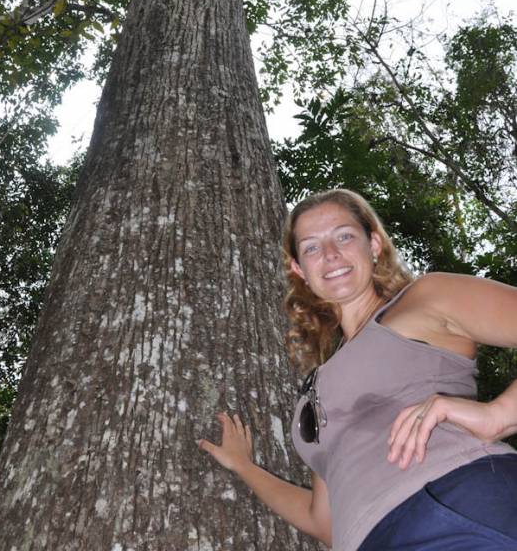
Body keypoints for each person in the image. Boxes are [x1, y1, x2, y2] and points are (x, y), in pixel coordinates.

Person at [198, 188, 517, 550]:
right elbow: (323, 521)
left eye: (344, 236)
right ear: (299, 269)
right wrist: (244, 467)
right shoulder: (319, 382)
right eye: (312, 247)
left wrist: (499, 415)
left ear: (374, 245)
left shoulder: (426, 298)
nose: (330, 254)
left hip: (455, 502)